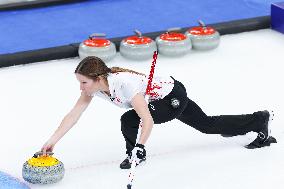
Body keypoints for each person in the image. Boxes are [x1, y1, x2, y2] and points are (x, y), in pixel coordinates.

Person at [41, 56, 277, 169]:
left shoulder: (124, 84)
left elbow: (146, 120)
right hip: (166, 94)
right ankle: (259, 120)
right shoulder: (96, 90)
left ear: (97, 78)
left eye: (83, 83)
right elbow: (74, 114)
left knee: (128, 118)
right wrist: (52, 141)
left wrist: (140, 147)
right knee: (206, 125)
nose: (81, 88)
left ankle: (134, 155)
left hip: (172, 97)